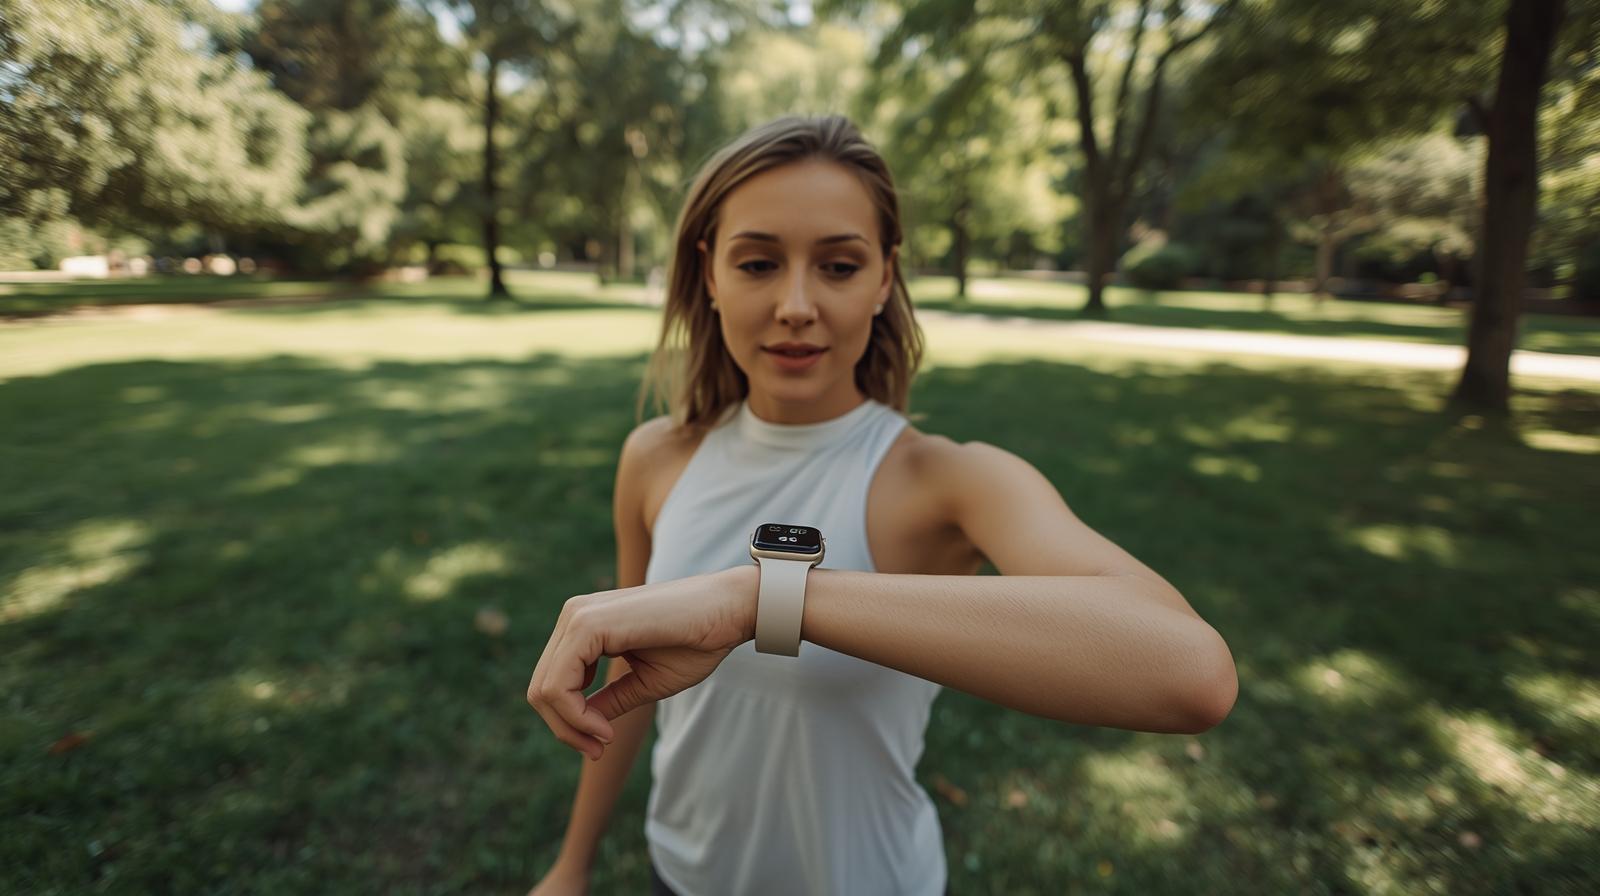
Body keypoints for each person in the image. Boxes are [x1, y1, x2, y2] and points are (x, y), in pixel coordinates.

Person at [524, 115, 1238, 896]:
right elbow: (626, 678)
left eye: (837, 266)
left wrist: (760, 599)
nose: (796, 304)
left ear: (884, 277)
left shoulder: (945, 481)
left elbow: (1188, 671)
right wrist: (571, 865)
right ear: (710, 273)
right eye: (759, 262)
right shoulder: (655, 458)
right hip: (682, 876)